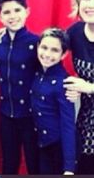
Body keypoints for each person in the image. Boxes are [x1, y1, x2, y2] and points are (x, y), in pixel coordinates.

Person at [0, 0, 39, 174]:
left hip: (32, 116)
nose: (12, 16)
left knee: (34, 164)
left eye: (17, 10)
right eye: (6, 12)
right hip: (7, 114)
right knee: (9, 164)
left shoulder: (37, 43)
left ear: (27, 11)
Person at [31, 28, 76, 174]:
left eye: (55, 50)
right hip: (40, 142)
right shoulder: (36, 71)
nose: (47, 54)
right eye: (44, 47)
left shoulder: (64, 83)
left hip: (57, 147)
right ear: (37, 47)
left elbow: (68, 124)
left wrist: (69, 167)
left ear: (64, 54)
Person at [63, 0, 94, 174]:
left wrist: (88, 87)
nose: (90, 4)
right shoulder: (74, 32)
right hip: (86, 122)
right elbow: (48, 51)